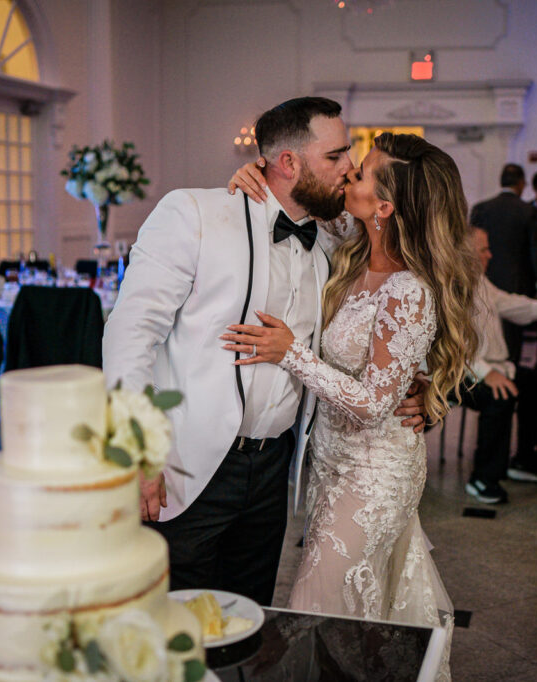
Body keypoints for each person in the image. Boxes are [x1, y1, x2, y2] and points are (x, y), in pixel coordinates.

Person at [102, 97, 426, 607]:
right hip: (190, 465)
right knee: (174, 623)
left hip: (277, 468)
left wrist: (421, 384)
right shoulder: (194, 213)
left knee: (248, 616)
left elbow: (404, 300)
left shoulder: (334, 235)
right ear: (289, 163)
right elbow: (130, 334)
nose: (349, 169)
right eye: (337, 156)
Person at [224, 133, 482, 681]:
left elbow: (371, 405)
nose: (347, 177)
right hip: (331, 461)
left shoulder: (409, 290)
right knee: (353, 612)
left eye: (360, 174)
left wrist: (289, 354)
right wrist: (261, 171)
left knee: (316, 602)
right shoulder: (348, 242)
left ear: (384, 206)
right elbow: (300, 196)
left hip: (374, 472)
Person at [463, 228, 537, 504]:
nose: (489, 254)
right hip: (460, 371)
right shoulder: (451, 286)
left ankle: (525, 458)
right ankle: (483, 478)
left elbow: (510, 304)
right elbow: (451, 346)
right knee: (499, 395)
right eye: (484, 249)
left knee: (534, 383)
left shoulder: (481, 282)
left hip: (491, 366)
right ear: (466, 253)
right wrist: (486, 373)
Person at [470, 164, 537, 362]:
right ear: (521, 184)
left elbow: (468, 242)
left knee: (481, 335)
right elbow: (535, 250)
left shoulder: (481, 208)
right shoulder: (527, 211)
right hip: (516, 283)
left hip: (484, 279)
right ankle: (508, 374)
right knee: (513, 343)